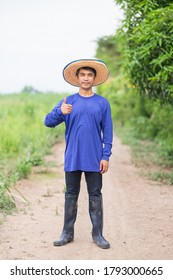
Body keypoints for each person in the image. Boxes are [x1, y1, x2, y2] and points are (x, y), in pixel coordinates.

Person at [44, 59, 113, 249]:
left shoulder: (102, 103)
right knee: (71, 195)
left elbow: (107, 132)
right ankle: (67, 233)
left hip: (94, 158)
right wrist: (60, 111)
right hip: (73, 157)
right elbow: (48, 122)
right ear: (77, 78)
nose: (86, 78)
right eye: (82, 74)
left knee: (95, 195)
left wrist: (105, 156)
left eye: (89, 75)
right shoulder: (68, 102)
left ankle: (98, 234)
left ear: (94, 78)